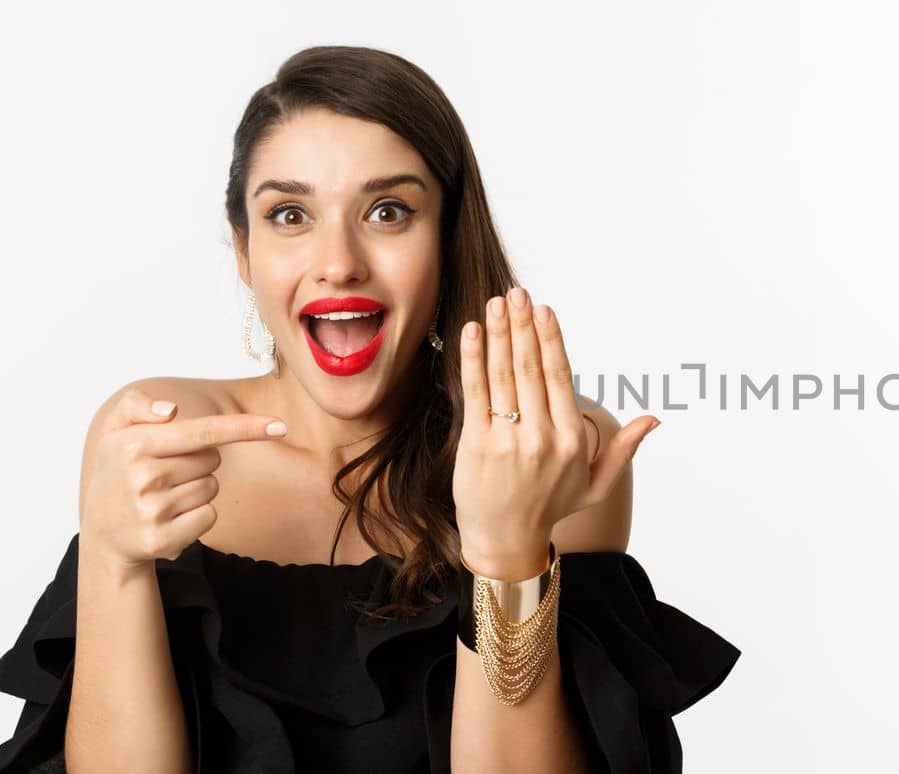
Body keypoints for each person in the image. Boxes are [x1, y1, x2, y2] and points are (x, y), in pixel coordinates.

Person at [0, 45, 739, 773]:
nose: (339, 261)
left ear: (450, 238)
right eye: (290, 215)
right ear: (242, 250)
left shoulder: (542, 449)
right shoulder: (158, 435)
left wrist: (506, 553)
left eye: (388, 211)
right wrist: (113, 561)